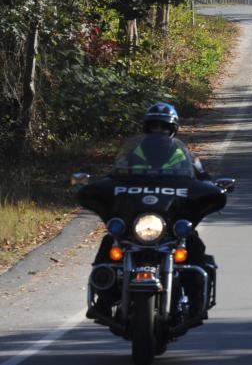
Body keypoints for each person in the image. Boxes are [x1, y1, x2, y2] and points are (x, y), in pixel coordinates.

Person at [84, 103, 219, 318]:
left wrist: (214, 189)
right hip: (136, 221)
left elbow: (204, 180)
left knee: (193, 245)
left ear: (172, 129)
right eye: (154, 126)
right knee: (110, 242)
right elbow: (113, 176)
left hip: (168, 223)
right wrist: (96, 188)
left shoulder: (184, 156)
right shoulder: (132, 154)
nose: (159, 131)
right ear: (147, 128)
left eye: (163, 127)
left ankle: (196, 303)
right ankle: (104, 299)